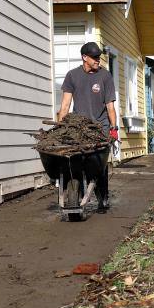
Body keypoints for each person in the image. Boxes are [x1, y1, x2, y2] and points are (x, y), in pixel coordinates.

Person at [57, 41, 118, 211]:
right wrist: (61, 127)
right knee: (76, 161)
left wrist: (114, 129)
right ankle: (77, 194)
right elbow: (65, 105)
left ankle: (103, 197)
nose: (98, 59)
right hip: (79, 127)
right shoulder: (72, 76)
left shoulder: (105, 76)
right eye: (95, 57)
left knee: (100, 164)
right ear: (85, 57)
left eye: (99, 56)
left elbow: (110, 107)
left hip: (100, 127)